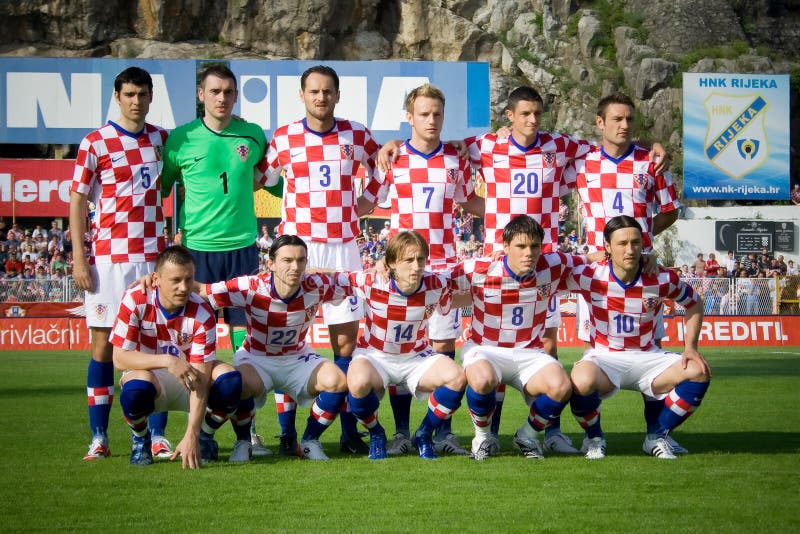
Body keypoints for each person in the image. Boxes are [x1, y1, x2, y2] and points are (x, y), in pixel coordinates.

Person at [263, 64, 381, 455]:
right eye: (313, 91)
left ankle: (348, 434)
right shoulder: (283, 138)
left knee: (345, 346)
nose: (321, 97)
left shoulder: (357, 134)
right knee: (286, 343)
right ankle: (287, 434)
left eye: (327, 91)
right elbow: (257, 176)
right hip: (300, 251)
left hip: (344, 248)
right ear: (302, 95)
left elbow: (385, 171)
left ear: (337, 94)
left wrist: (361, 205)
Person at [360, 83, 484, 456]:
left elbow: (470, 201)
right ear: (409, 117)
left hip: (443, 267)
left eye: (437, 114)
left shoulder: (455, 158)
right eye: (424, 114)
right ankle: (399, 432)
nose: (432, 120)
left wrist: (511, 211)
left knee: (443, 349)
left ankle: (441, 432)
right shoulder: (393, 158)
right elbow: (366, 203)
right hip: (401, 270)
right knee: (400, 348)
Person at [160, 63, 276, 457]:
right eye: (215, 91)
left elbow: (267, 177)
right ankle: (166, 431)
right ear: (200, 94)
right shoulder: (179, 140)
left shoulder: (253, 135)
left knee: (245, 346)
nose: (222, 98)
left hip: (242, 249)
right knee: (186, 344)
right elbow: (161, 188)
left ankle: (248, 433)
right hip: (197, 253)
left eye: (229, 91)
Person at [567, 91, 687, 451]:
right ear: (599, 123)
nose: (624, 125)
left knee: (652, 346)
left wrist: (644, 242)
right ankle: (594, 437)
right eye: (616, 119)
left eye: (629, 119)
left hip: (642, 270)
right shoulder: (582, 160)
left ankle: (657, 435)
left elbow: (669, 210)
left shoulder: (650, 162)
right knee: (595, 356)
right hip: (599, 276)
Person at [69, 66, 171, 461]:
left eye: (143, 94)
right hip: (109, 260)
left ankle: (156, 436)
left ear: (150, 97)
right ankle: (99, 436)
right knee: (103, 348)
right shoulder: (96, 142)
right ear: (117, 96)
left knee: (156, 343)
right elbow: (77, 201)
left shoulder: (162, 140)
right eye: (129, 94)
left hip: (151, 259)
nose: (136, 101)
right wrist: (80, 258)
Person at [192, 235, 350, 461]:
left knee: (338, 381)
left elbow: (356, 281)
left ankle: (309, 441)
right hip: (257, 359)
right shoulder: (251, 287)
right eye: (287, 260)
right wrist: (156, 278)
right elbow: (203, 290)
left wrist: (383, 267)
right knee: (238, 385)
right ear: (271, 264)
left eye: (300, 260)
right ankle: (243, 442)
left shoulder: (317, 286)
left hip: (297, 358)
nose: (294, 267)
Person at [566, 216, 711, 459]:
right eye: (622, 243)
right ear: (608, 248)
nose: (630, 249)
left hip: (648, 357)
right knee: (580, 378)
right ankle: (594, 438)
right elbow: (550, 274)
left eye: (635, 243)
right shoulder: (590, 275)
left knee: (698, 370)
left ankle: (657, 436)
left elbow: (694, 303)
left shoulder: (661, 278)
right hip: (605, 358)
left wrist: (691, 347)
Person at [449, 215, 588, 460]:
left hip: (530, 353)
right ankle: (482, 438)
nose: (529, 253)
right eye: (521, 246)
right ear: (505, 247)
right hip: (485, 348)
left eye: (534, 246)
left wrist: (644, 258)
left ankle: (526, 435)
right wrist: (384, 266)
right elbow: (433, 280)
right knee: (482, 380)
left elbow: (592, 259)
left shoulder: (553, 264)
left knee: (562, 387)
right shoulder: (477, 269)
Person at [110, 246, 242, 467]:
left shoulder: (202, 311)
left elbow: (201, 381)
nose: (183, 288)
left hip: (190, 379)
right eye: (176, 280)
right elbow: (119, 359)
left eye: (189, 279)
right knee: (135, 392)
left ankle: (205, 438)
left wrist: (192, 433)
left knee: (230, 380)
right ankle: (141, 440)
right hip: (151, 378)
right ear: (156, 279)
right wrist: (168, 361)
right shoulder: (135, 300)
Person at [343, 231, 468, 460]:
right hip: (376, 355)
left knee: (458, 377)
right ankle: (377, 433)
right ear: (391, 263)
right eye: (409, 260)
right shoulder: (371, 280)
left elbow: (473, 283)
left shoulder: (436, 283)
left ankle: (424, 433)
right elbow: (329, 279)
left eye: (420, 259)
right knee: (357, 383)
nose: (416, 266)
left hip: (416, 356)